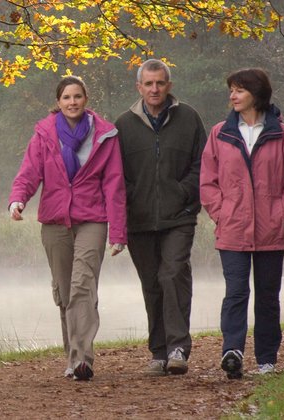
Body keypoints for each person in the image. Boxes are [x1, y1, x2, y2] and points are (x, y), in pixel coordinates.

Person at [8, 76, 127, 381]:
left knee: (82, 286)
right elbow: (29, 173)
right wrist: (18, 200)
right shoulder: (45, 134)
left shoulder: (104, 135)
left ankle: (83, 359)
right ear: (58, 102)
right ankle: (72, 358)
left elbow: (115, 185)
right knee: (64, 291)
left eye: (77, 96)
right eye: (66, 98)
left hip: (93, 218)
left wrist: (118, 232)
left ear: (86, 98)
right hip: (55, 220)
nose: (72, 102)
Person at [200, 68, 284, 379]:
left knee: (268, 295)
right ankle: (232, 351)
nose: (232, 95)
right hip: (232, 229)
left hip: (272, 230)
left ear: (256, 95)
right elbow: (208, 181)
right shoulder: (219, 133)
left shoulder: (283, 135)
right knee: (235, 293)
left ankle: (266, 358)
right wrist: (220, 212)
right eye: (231, 90)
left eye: (239, 90)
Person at [114, 59, 206, 376]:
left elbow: (203, 165)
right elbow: (116, 174)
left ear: (169, 85)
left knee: (173, 274)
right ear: (139, 87)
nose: (155, 89)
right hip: (138, 218)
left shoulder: (189, 118)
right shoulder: (123, 124)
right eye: (149, 84)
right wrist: (130, 199)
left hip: (179, 216)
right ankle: (159, 352)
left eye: (160, 83)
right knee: (152, 284)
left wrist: (182, 193)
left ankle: (178, 347)